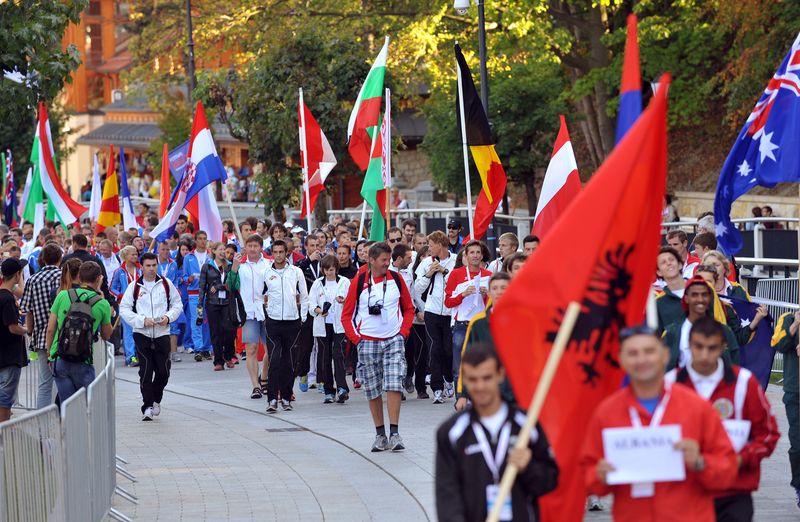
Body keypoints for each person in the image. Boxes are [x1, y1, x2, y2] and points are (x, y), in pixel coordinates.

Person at [580, 326, 738, 521]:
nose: (641, 360)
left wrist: (700, 462)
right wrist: (599, 476)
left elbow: (728, 468)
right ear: (621, 359)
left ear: (665, 355)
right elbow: (587, 472)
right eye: (633, 353)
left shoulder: (697, 407)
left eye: (649, 351)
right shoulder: (606, 412)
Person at [665, 317, 779, 521]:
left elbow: (769, 434)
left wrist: (742, 458)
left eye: (712, 348)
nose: (704, 355)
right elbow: (655, 432)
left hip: (732, 491)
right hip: (685, 490)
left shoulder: (744, 382)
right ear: (689, 345)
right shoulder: (669, 383)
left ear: (723, 347)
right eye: (698, 347)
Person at [435, 343, 559, 522]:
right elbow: (447, 496)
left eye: (487, 378)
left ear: (500, 374)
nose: (480, 386)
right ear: (464, 380)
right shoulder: (451, 433)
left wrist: (529, 468)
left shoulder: (526, 425)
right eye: (473, 379)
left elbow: (550, 482)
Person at [342, 242, 414, 451]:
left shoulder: (397, 279)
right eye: (383, 260)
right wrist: (357, 339)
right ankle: (380, 434)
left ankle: (395, 433)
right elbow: (346, 315)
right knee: (372, 389)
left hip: (393, 340)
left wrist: (403, 332)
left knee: (394, 384)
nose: (387, 264)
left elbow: (409, 309)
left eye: (388, 260)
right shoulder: (359, 281)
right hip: (367, 342)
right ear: (371, 260)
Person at [119, 253, 183, 421]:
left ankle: (156, 399)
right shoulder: (134, 286)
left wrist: (168, 317)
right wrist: (141, 321)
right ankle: (147, 406)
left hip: (162, 333)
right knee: (146, 371)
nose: (151, 268)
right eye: (148, 265)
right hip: (142, 334)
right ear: (142, 267)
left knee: (163, 371)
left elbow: (177, 304)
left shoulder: (166, 284)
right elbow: (124, 309)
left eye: (154, 265)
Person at [45, 261, 113, 403]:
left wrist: (49, 353)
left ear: (79, 278)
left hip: (60, 355)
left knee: (66, 403)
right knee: (87, 405)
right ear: (98, 279)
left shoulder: (63, 295)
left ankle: (66, 419)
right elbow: (106, 335)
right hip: (83, 358)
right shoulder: (102, 303)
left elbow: (50, 328)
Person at [263, 240, 308, 413]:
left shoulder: (296, 272)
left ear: (286, 253)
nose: (278, 255)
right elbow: (259, 295)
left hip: (292, 321)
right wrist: (264, 314)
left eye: (281, 252)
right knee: (274, 360)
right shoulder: (266, 272)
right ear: (272, 253)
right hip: (273, 321)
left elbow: (304, 295)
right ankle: (272, 399)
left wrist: (303, 316)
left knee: (289, 362)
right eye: (275, 252)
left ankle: (286, 397)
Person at [455, 271, 512, 411]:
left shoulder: (522, 320)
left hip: (515, 389)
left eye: (503, 288)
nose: (499, 292)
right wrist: (463, 394)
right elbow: (467, 357)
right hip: (487, 388)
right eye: (495, 288)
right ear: (489, 292)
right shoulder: (478, 323)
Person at [662, 276, 739, 370]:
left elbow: (734, 367)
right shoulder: (672, 332)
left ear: (709, 298)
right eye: (694, 295)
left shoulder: (724, 331)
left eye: (704, 295)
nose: (700, 299)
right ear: (686, 298)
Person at [415, 231, 457, 404]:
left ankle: (449, 378)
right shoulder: (426, 262)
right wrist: (428, 274)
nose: (429, 248)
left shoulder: (456, 261)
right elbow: (417, 288)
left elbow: (458, 284)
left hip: (450, 312)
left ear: (440, 245)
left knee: (448, 350)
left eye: (431, 245)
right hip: (431, 311)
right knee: (434, 350)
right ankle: (437, 388)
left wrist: (444, 271)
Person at [19, 243, 62, 409]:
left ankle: (42, 420)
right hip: (64, 336)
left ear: (42, 259)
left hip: (42, 336)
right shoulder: (64, 277)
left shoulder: (33, 279)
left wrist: (30, 332)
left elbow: (27, 310)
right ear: (59, 258)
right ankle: (61, 415)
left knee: (45, 383)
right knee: (63, 380)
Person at [444, 240, 491, 391]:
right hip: (462, 325)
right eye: (472, 252)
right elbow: (448, 302)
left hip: (482, 325)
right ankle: (461, 400)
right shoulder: (456, 274)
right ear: (466, 255)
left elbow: (495, 304)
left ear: (482, 255)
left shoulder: (489, 275)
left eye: (478, 252)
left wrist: (487, 295)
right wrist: (462, 295)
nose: (475, 255)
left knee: (482, 365)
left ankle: (479, 398)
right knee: (459, 367)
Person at [309, 255, 351, 404]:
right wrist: (319, 310)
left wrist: (343, 301)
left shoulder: (344, 282)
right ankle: (328, 390)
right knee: (324, 357)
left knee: (338, 355)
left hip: (339, 324)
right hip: (323, 324)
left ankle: (342, 388)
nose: (329, 273)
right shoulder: (317, 284)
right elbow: (311, 304)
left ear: (336, 269)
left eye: (331, 269)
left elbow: (352, 301)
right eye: (326, 270)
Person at [233, 234, 270, 398]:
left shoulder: (268, 264)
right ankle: (255, 386)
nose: (253, 249)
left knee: (271, 349)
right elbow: (231, 284)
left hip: (267, 311)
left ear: (261, 248)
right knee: (251, 348)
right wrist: (234, 266)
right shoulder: (241, 266)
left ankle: (264, 376)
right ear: (245, 248)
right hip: (248, 312)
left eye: (256, 246)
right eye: (250, 246)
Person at [771, 310, 800, 507]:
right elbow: (779, 345)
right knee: (798, 444)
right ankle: (799, 486)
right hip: (794, 391)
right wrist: (795, 325)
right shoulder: (787, 318)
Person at [197, 242, 241, 371]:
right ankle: (218, 361)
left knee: (229, 330)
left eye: (224, 250)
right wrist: (199, 304)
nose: (223, 252)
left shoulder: (230, 265)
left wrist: (219, 286)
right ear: (214, 251)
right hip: (212, 303)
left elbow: (233, 284)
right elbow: (202, 286)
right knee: (215, 332)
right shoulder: (207, 266)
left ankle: (228, 355)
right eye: (220, 249)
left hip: (227, 302)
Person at [0, 258, 31, 421]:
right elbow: (13, 327)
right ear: (17, 274)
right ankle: (3, 431)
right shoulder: (7, 299)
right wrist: (27, 330)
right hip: (9, 356)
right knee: (5, 401)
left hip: (3, 354)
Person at [110, 245, 141, 366]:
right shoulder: (119, 271)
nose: (135, 256)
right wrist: (120, 295)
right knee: (128, 331)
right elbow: (112, 288)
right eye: (132, 254)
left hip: (140, 304)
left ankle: (140, 354)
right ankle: (131, 357)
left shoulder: (140, 269)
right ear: (125, 256)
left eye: (136, 254)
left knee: (139, 329)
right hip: (125, 305)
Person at [185, 232, 212, 361]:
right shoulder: (188, 257)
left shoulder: (210, 256)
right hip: (195, 293)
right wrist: (189, 279)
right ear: (195, 240)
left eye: (204, 239)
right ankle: (198, 348)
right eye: (200, 239)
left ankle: (207, 348)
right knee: (197, 320)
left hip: (209, 293)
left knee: (207, 321)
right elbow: (184, 277)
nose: (202, 241)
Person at [408, 245, 431, 398]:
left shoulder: (438, 272)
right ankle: (410, 377)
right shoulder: (412, 274)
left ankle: (421, 387)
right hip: (416, 320)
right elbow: (410, 295)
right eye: (424, 256)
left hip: (432, 317)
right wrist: (417, 311)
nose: (427, 259)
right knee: (415, 352)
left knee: (427, 354)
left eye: (430, 256)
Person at [61, 233, 112, 301]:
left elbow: (62, 278)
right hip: (92, 298)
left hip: (68, 297)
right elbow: (103, 281)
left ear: (75, 244)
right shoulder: (95, 260)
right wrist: (109, 301)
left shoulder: (66, 260)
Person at [156, 241, 183, 363]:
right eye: (163, 249)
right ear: (158, 250)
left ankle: (174, 352)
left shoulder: (173, 264)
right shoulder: (154, 263)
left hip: (170, 297)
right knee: (159, 324)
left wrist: (176, 290)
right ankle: (161, 352)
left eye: (167, 250)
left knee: (173, 324)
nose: (165, 252)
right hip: (157, 298)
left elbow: (176, 279)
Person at [655, 246, 689, 331]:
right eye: (663, 262)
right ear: (659, 272)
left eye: (671, 260)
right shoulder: (658, 303)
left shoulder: (702, 289)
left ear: (680, 264)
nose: (668, 263)